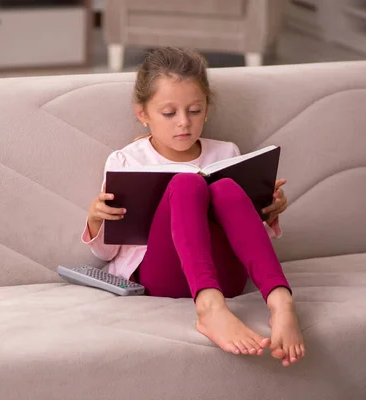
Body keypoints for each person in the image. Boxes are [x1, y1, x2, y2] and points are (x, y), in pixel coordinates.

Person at [82, 47, 304, 367]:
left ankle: (282, 303)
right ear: (143, 114)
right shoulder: (126, 161)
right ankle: (209, 309)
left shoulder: (227, 152)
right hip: (161, 278)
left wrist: (268, 211)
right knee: (187, 184)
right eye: (169, 113)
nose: (184, 123)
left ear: (207, 109)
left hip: (226, 277)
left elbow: (249, 243)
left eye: (195, 110)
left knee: (226, 188)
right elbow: (106, 254)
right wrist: (95, 219)